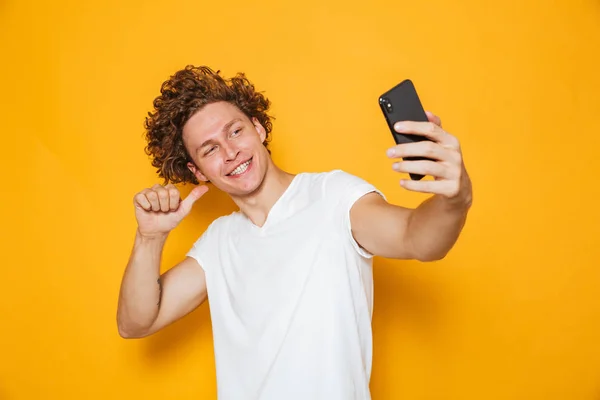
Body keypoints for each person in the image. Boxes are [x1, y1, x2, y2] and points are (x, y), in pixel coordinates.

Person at [116, 65, 473, 399]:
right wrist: (150, 238)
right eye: (210, 149)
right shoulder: (218, 242)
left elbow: (418, 238)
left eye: (235, 131)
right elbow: (135, 323)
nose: (230, 152)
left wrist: (456, 198)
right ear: (199, 171)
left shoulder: (333, 197)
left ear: (259, 128)